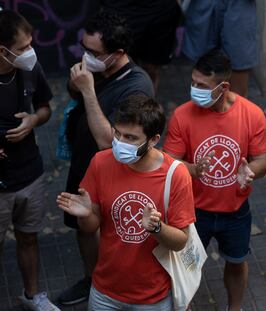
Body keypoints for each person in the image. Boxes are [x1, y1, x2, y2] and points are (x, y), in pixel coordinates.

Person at [57, 95, 195, 310]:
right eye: (117, 133)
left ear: (153, 139)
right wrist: (85, 216)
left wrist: (157, 227)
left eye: (130, 138)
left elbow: (180, 241)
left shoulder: (176, 175)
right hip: (105, 292)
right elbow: (91, 227)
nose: (120, 143)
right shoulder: (100, 162)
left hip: (153, 297)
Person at [58, 10, 154, 306]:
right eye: (83, 48)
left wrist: (87, 90)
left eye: (93, 52)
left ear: (117, 54)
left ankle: (112, 289)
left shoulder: (137, 86)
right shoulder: (98, 69)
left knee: (108, 233)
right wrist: (78, 84)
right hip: (84, 165)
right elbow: (72, 90)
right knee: (81, 224)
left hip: (114, 172)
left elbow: (106, 141)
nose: (86, 56)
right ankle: (93, 279)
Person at [163, 49, 266, 311]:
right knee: (185, 268)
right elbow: (168, 164)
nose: (194, 89)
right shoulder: (182, 115)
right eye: (193, 82)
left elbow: (263, 161)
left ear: (223, 87)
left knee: (236, 262)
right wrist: (190, 169)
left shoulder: (252, 114)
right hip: (191, 212)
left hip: (236, 212)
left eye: (202, 85)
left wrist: (251, 171)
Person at [0, 10, 60, 311]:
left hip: (30, 173)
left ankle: (32, 295)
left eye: (31, 44)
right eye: (23, 48)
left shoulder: (30, 68)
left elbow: (46, 108)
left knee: (28, 238)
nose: (30, 52)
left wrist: (34, 120)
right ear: (2, 50)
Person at [100, 0, 182, 93]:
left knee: (151, 68)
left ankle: (146, 103)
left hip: (159, 11)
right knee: (113, 64)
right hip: (121, 8)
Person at [182, 0, 257, 97]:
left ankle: (235, 110)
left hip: (239, 5)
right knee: (202, 76)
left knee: (238, 73)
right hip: (202, 4)